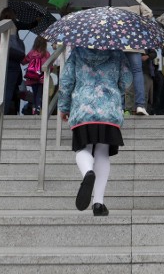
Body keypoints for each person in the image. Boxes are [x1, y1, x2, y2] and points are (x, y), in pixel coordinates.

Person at [59, 47, 132, 216]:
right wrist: (116, 93)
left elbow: (66, 81)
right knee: (102, 153)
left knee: (82, 148)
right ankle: (98, 203)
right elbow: (126, 80)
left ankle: (87, 172)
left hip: (82, 108)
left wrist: (63, 107)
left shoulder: (77, 52)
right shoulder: (117, 52)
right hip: (108, 109)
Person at [115, 0, 153, 116]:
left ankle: (119, 107)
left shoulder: (112, 1)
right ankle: (140, 105)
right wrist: (139, 23)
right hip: (134, 42)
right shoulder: (136, 1)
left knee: (118, 73)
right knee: (137, 72)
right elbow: (149, 14)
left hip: (117, 43)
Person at [22, 37, 50, 115]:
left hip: (32, 77)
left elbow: (23, 61)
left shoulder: (32, 53)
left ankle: (34, 109)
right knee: (39, 94)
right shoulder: (46, 53)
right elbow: (50, 66)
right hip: (42, 78)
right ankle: (38, 109)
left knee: (35, 94)